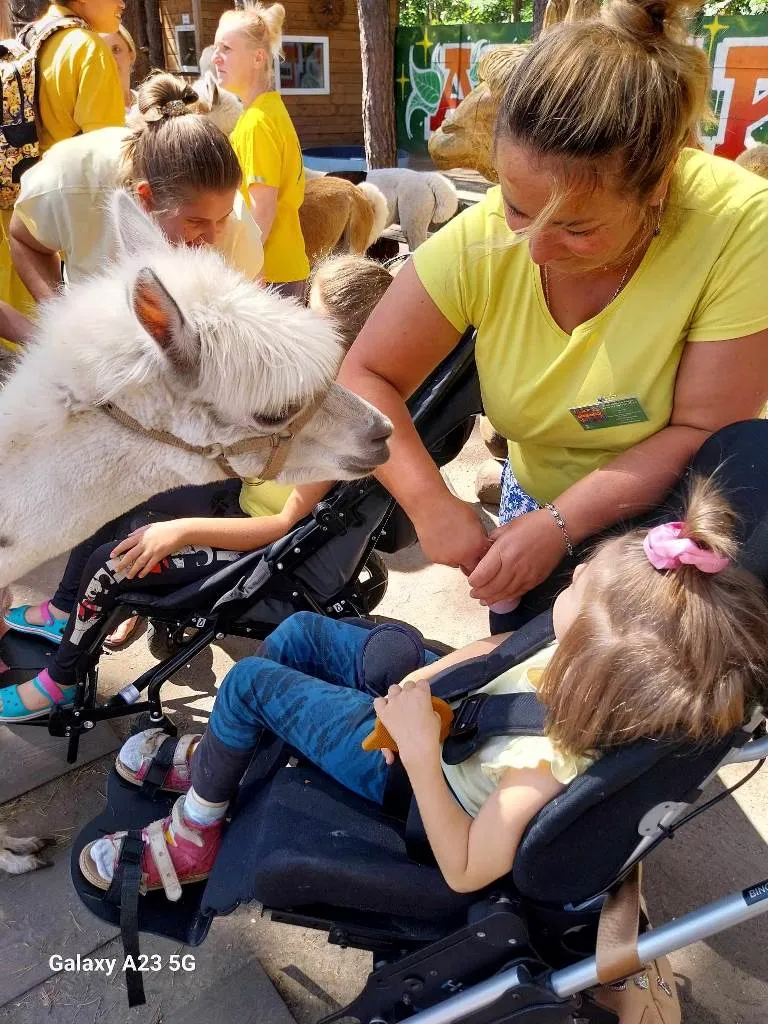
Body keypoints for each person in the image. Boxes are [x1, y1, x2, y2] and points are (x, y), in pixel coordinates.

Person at [75, 445, 768, 896]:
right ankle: (228, 760)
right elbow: (498, 658)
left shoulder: (534, 777)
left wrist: (417, 746)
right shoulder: (585, 656)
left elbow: (466, 868)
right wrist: (425, 682)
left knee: (255, 682)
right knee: (300, 632)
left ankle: (195, 830)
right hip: (437, 711)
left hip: (404, 772)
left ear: (596, 642)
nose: (577, 570)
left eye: (580, 586)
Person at [330, 0, 768, 634]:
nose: (533, 247)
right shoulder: (482, 240)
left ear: (658, 187)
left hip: (680, 512)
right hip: (534, 500)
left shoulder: (739, 225)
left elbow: (705, 429)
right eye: (514, 205)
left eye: (577, 228)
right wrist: (429, 503)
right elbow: (365, 373)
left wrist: (561, 525)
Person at [0, 254, 395, 720]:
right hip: (240, 497)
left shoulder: (320, 422)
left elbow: (284, 521)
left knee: (113, 563)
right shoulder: (308, 386)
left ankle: (61, 680)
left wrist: (182, 531)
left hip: (264, 540)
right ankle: (67, 609)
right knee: (118, 508)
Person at [9, 73, 264, 303]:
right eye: (195, 221)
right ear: (147, 199)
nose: (212, 237)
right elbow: (24, 238)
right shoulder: (70, 181)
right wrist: (61, 320)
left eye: (222, 219)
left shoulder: (238, 229)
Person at [0, 0, 125, 349]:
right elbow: (108, 165)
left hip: (16, 226)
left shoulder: (27, 40)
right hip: (60, 243)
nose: (123, 3)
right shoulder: (85, 49)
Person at [212, 2, 310, 297]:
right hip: (280, 267)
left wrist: (243, 273)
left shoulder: (257, 123)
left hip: (267, 274)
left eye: (226, 49)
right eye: (216, 48)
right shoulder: (268, 112)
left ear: (257, 58)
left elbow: (261, 210)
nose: (215, 58)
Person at [101, 23, 137, 113]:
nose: (110, 59)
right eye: (102, 52)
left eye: (116, 50)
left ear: (131, 56)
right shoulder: (90, 115)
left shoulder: (150, 105)